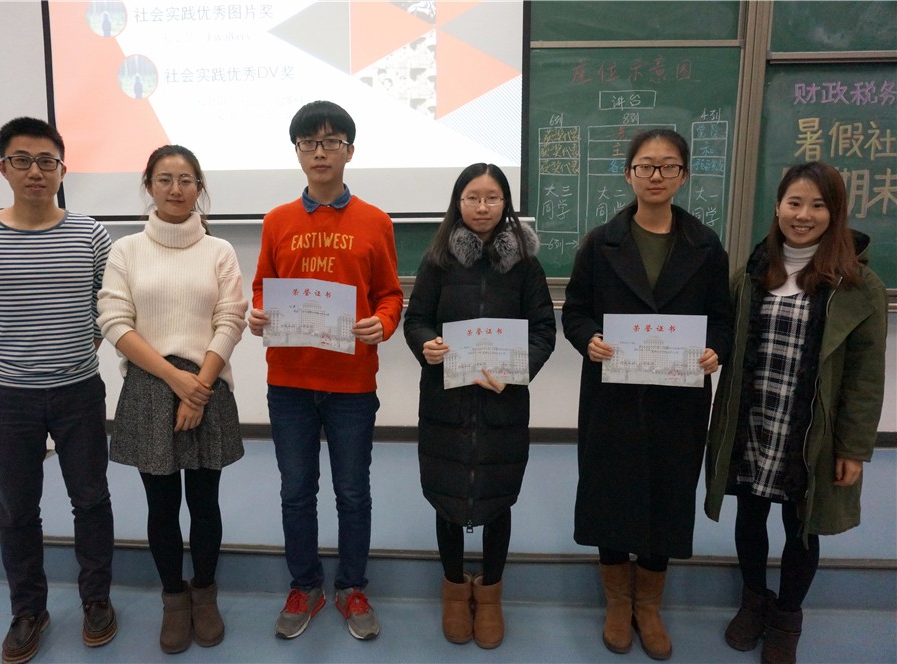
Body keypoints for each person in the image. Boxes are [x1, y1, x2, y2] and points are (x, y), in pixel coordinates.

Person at [0, 117, 117, 664]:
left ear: (63, 169)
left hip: (79, 390)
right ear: (4, 168)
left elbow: (106, 307)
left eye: (47, 161)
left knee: (90, 499)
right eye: (22, 160)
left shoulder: (90, 234)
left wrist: (80, 348)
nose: (36, 171)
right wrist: (3, 353)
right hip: (8, 398)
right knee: (16, 509)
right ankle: (28, 610)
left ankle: (96, 600)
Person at [704, 161, 887, 664]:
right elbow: (725, 337)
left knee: (802, 524)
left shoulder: (858, 285)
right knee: (750, 513)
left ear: (836, 213)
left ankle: (787, 618)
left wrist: (853, 448)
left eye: (818, 205)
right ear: (778, 206)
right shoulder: (753, 272)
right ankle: (753, 600)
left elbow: (866, 377)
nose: (803, 215)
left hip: (812, 430)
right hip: (752, 419)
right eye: (794, 203)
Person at [560, 128, 732, 660]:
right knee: (610, 490)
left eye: (668, 166)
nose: (656, 175)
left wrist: (715, 350)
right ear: (628, 173)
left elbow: (722, 319)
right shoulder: (600, 242)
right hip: (613, 395)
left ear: (683, 175)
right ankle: (618, 602)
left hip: (678, 398)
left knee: (668, 492)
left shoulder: (706, 245)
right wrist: (588, 339)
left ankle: (649, 605)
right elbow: (575, 311)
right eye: (645, 165)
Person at [248, 100, 403, 641]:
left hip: (351, 385)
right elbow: (263, 286)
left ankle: (352, 586)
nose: (320, 151)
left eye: (331, 141)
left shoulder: (376, 221)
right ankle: (305, 585)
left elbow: (390, 294)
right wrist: (258, 314)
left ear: (349, 151)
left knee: (353, 492)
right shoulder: (277, 221)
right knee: (296, 491)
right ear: (297, 152)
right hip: (289, 382)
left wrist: (384, 323)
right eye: (309, 142)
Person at [97, 145, 248, 654]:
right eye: (165, 179)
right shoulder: (126, 250)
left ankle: (204, 594)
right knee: (161, 506)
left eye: (186, 179)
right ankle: (173, 600)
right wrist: (175, 380)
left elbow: (231, 319)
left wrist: (198, 387)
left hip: (208, 385)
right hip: (148, 387)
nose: (176, 189)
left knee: (204, 503)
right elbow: (114, 320)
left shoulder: (219, 250)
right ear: (149, 185)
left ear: (199, 187)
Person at [403, 163, 556, 649]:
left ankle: (489, 593)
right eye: (472, 197)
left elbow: (544, 331)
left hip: (502, 403)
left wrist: (517, 369)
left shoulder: (526, 265)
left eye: (492, 198)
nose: (482, 207)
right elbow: (416, 320)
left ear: (506, 203)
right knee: (446, 497)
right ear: (458, 202)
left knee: (498, 497)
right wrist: (426, 345)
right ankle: (454, 590)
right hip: (446, 400)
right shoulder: (438, 260)